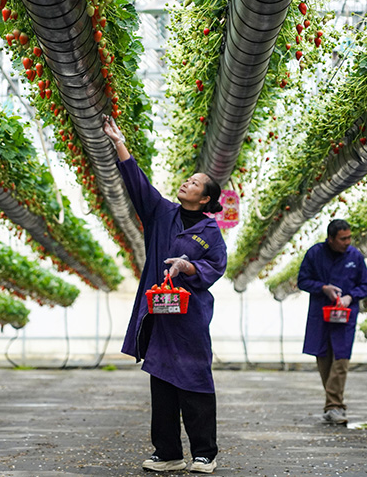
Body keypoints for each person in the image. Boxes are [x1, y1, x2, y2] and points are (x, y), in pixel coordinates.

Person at [103, 115, 227, 474]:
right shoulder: (161, 214)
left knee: (195, 381)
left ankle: (204, 453)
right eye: (188, 179)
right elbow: (137, 184)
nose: (187, 183)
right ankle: (168, 453)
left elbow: (216, 266)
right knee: (161, 382)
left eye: (195, 183)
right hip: (159, 314)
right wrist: (119, 142)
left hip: (189, 319)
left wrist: (189, 267)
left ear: (205, 199)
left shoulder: (210, 232)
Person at [297, 219, 367, 425]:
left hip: (344, 317)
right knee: (324, 361)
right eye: (343, 239)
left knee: (341, 360)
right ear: (330, 239)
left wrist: (350, 296)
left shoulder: (355, 256)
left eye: (349, 238)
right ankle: (334, 405)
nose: (347, 242)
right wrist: (323, 288)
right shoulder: (315, 254)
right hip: (321, 315)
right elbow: (302, 280)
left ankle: (333, 406)